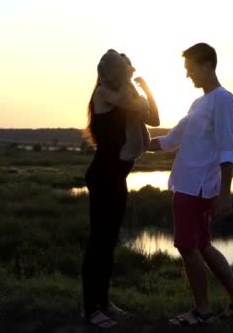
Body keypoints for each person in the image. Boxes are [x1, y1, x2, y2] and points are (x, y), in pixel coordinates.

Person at [147, 43, 233, 326]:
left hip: (197, 189)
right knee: (203, 245)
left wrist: (226, 195)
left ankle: (202, 311)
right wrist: (134, 143)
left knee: (186, 246)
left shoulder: (223, 99)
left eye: (191, 69)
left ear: (207, 66)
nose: (188, 75)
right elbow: (170, 140)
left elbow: (227, 149)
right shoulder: (198, 103)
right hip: (187, 186)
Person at [81, 49, 160, 329]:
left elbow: (153, 117)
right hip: (103, 176)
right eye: (126, 67)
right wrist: (132, 80)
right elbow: (134, 104)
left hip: (117, 178)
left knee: (109, 242)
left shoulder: (123, 95)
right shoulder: (104, 93)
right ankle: (91, 310)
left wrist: (144, 87)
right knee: (98, 244)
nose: (131, 70)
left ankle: (103, 301)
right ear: (115, 71)